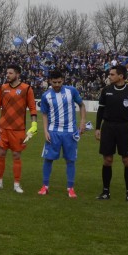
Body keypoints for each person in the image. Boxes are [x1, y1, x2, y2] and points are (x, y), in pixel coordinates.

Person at [37, 70, 86, 198]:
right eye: (54, 82)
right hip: (53, 132)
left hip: (70, 132)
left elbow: (81, 105)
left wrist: (82, 121)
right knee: (48, 159)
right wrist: (46, 131)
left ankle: (70, 188)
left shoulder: (72, 91)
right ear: (50, 81)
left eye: (59, 82)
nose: (57, 84)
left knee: (70, 160)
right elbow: (44, 114)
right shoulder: (46, 95)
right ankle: (45, 186)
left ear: (63, 80)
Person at [95, 64, 128, 202]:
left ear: (121, 76)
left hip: (124, 128)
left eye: (112, 74)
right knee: (108, 160)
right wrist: (97, 128)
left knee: (127, 160)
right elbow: (100, 110)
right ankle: (105, 192)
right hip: (108, 127)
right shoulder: (106, 90)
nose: (109, 76)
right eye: (109, 74)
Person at [0, 64, 37, 193]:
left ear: (17, 74)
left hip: (18, 129)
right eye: (7, 73)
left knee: (16, 155)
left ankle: (17, 184)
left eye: (10, 73)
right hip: (3, 128)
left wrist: (34, 125)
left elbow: (33, 108)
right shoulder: (2, 88)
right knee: (1, 153)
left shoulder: (26, 89)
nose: (7, 75)